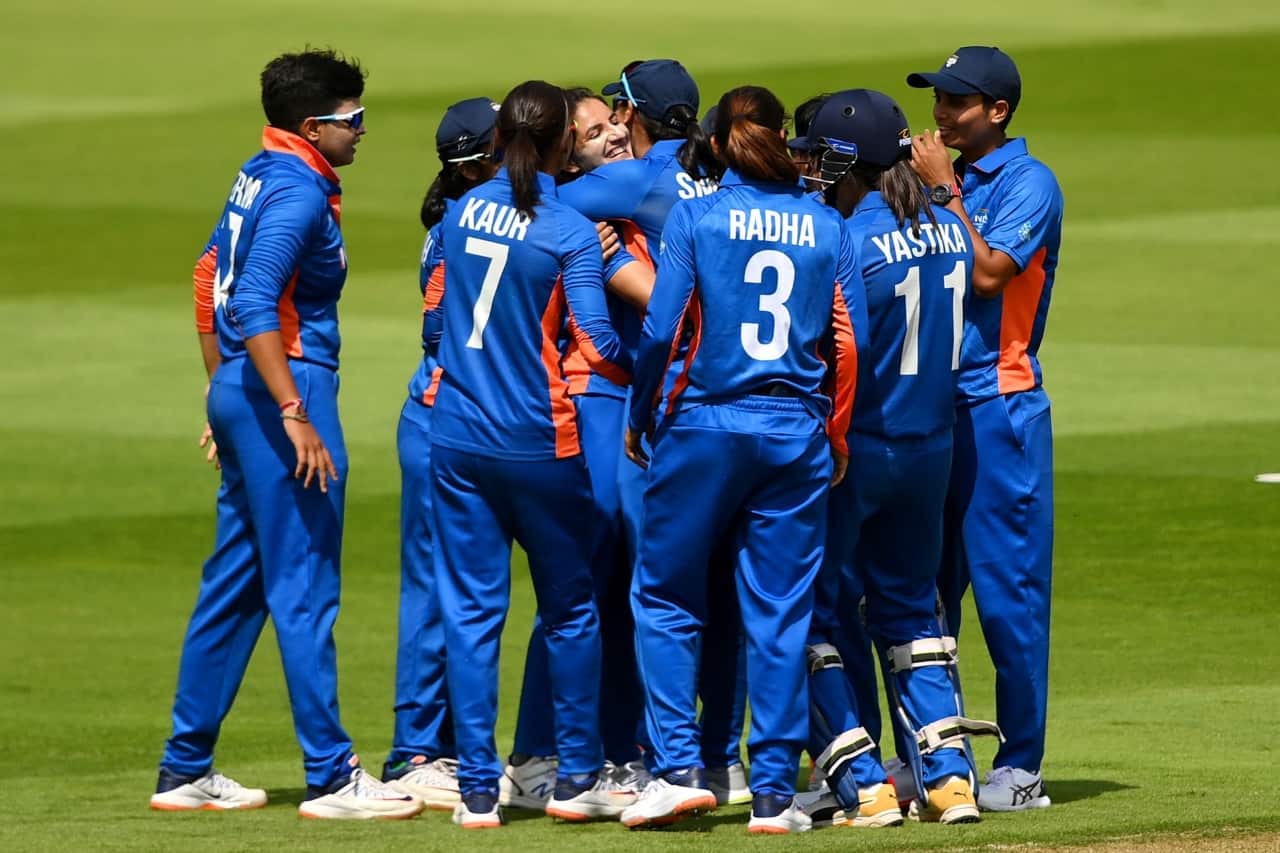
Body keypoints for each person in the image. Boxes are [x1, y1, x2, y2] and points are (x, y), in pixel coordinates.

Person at [153, 49, 422, 820]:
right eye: (354, 119)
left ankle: (184, 767)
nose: (364, 131)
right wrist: (290, 409)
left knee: (236, 584)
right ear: (314, 126)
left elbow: (209, 274)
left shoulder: (258, 171)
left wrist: (220, 389)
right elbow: (256, 300)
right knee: (304, 585)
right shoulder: (300, 194)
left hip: (246, 388)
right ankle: (334, 777)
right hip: (287, 387)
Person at [621, 85, 868, 834]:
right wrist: (837, 436)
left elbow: (662, 330)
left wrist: (640, 416)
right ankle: (770, 796)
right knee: (780, 612)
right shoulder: (828, 224)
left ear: (724, 143)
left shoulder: (697, 216)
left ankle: (674, 771)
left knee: (664, 596)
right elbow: (849, 344)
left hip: (705, 424)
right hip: (795, 430)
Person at [430, 79, 636, 829]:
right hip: (539, 440)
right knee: (572, 607)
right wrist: (663, 366)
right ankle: (577, 775)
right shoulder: (568, 229)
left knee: (472, 611)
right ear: (558, 144)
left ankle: (479, 788)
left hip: (455, 436)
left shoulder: (460, 212)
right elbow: (598, 341)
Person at [799, 88, 1000, 827]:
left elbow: (833, 346)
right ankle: (949, 781)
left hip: (862, 447)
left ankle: (865, 785)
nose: (813, 171)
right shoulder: (949, 224)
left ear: (849, 162)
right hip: (933, 447)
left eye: (822, 158)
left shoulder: (847, 238)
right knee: (916, 610)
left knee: (814, 610)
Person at [906, 46, 1063, 813]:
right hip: (926, 410)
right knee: (924, 595)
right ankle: (939, 758)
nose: (940, 114)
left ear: (997, 110)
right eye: (938, 99)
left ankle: (1023, 765)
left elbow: (991, 272)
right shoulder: (941, 174)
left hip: (999, 407)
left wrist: (941, 191)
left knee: (1008, 598)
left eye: (956, 102)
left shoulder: (1029, 182)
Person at [499, 85, 651, 811]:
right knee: (583, 581)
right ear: (566, 149)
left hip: (627, 401)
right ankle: (538, 752)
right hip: (596, 399)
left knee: (619, 585)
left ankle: (621, 753)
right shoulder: (574, 215)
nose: (612, 139)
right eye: (593, 132)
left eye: (615, 125)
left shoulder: (619, 207)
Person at [380, 96, 500, 810]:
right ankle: (416, 750)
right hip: (439, 421)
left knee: (463, 589)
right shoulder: (463, 228)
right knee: (434, 589)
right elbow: (441, 339)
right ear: (485, 161)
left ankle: (448, 745)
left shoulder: (465, 220)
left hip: (456, 422)